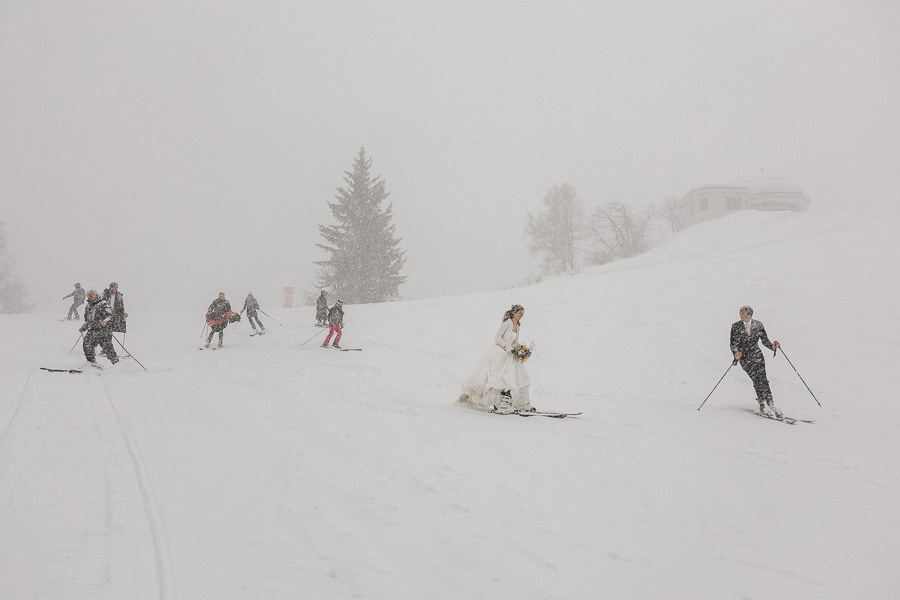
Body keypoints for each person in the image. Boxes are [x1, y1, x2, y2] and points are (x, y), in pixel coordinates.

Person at [458, 304, 533, 413]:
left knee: (519, 376)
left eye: (522, 314)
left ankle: (521, 402)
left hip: (511, 354)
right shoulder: (507, 323)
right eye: (520, 313)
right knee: (501, 377)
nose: (521, 315)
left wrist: (520, 350)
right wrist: (506, 347)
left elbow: (514, 341)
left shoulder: (518, 325)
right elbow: (497, 338)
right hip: (500, 353)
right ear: (514, 312)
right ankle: (501, 403)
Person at [730, 305, 782, 418]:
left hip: (757, 356)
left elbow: (764, 340)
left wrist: (773, 346)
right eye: (740, 313)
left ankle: (770, 403)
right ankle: (762, 404)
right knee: (756, 379)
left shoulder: (758, 325)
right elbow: (733, 343)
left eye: (743, 313)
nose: (741, 315)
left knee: (763, 378)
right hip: (745, 358)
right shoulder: (735, 326)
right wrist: (736, 353)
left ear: (749, 315)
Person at [78, 289, 119, 366]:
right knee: (87, 346)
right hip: (92, 330)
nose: (89, 298)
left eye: (91, 296)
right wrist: (83, 327)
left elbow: (111, 315)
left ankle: (116, 363)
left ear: (96, 296)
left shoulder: (103, 304)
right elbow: (88, 320)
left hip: (103, 331)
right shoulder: (88, 306)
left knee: (107, 348)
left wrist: (105, 321)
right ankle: (92, 363)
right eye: (88, 296)